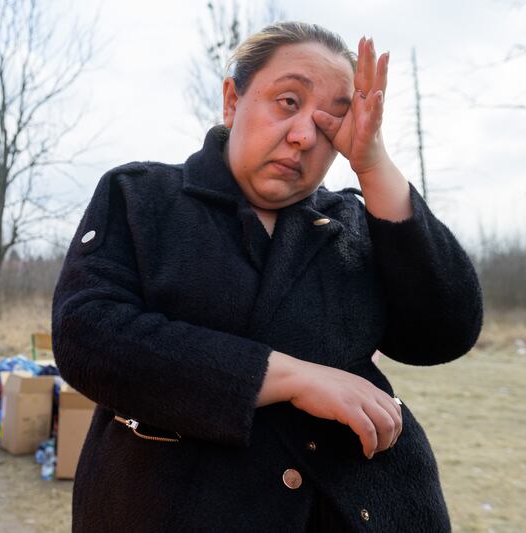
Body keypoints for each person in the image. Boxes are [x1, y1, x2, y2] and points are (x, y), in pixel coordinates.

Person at [52, 21, 482, 533]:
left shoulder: (352, 224)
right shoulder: (143, 197)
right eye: (287, 101)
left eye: (332, 120)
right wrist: (291, 377)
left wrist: (373, 165)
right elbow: (90, 335)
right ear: (233, 101)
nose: (304, 135)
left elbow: (445, 332)